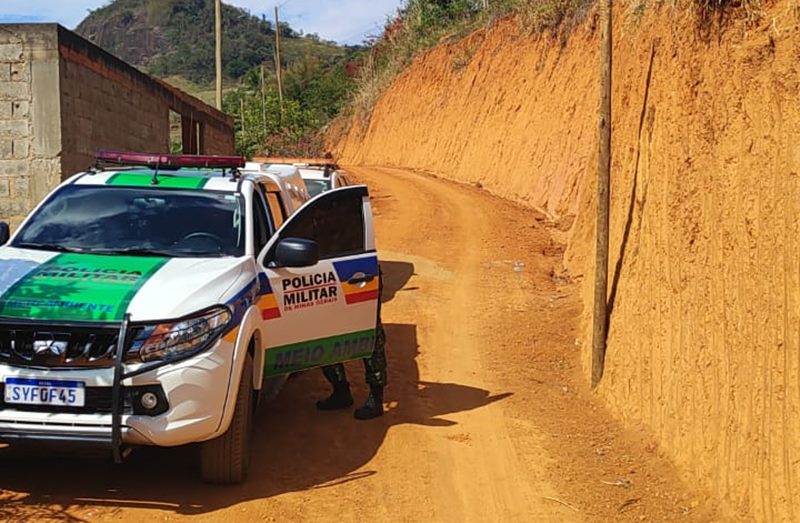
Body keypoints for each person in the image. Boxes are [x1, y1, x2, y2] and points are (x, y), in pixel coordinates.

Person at [316, 270, 386, 420]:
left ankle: (376, 397)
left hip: (355, 275)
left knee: (369, 334)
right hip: (321, 277)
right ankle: (340, 391)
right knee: (324, 334)